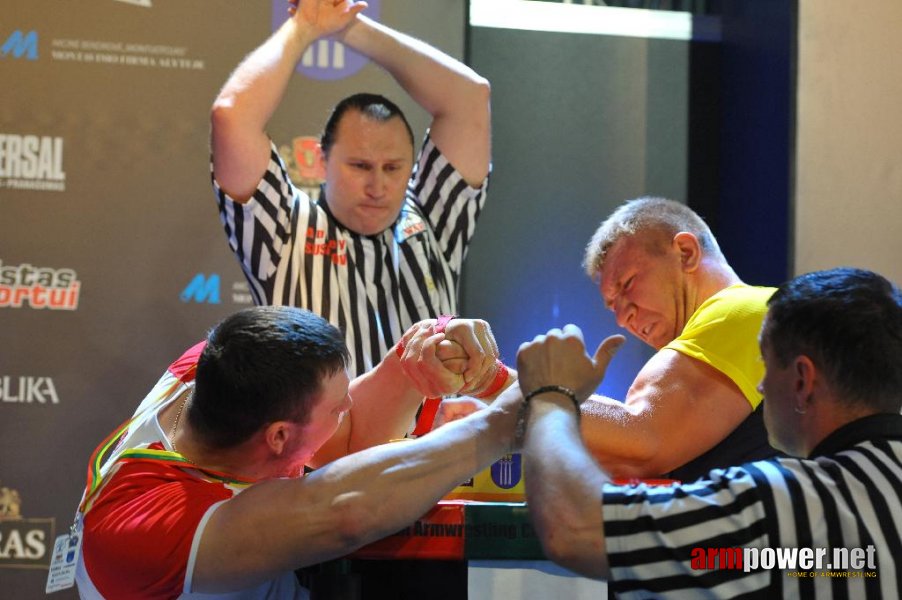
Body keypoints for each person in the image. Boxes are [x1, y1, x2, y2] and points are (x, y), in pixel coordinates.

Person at [73, 307, 519, 598]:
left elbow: (346, 439)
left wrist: (423, 351)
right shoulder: (149, 528)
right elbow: (347, 512)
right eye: (335, 406)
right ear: (279, 438)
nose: (347, 408)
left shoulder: (216, 369)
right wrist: (502, 422)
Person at [516, 267, 901, 598]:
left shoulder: (778, 502)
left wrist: (550, 395)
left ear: (802, 379)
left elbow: (577, 528)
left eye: (766, 366)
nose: (762, 387)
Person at [210, 0, 492, 379]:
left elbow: (469, 96)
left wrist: (348, 27)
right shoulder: (284, 229)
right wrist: (306, 25)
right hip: (321, 439)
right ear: (322, 160)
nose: (378, 185)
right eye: (359, 166)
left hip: (433, 438)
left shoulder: (430, 217)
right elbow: (232, 116)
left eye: (393, 168)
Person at [579, 196, 778, 481]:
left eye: (627, 284)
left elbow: (640, 444)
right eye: (613, 306)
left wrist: (503, 383)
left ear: (685, 253)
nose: (622, 319)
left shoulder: (745, 308)